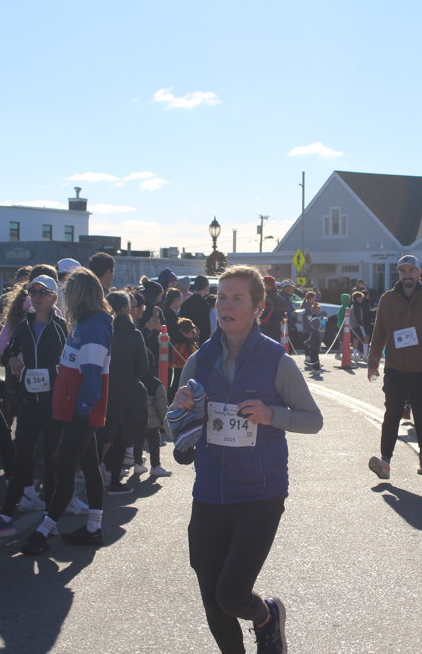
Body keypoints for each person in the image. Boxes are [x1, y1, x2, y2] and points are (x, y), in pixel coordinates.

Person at [168, 265, 322, 653]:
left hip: (260, 494)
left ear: (258, 308)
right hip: (210, 492)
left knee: (232, 595)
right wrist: (181, 408)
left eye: (237, 298)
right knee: (212, 600)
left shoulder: (276, 360)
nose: (226, 305)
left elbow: (313, 420)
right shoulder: (200, 361)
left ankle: (266, 615)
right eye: (221, 297)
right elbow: (182, 435)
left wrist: (272, 414)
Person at [22, 267, 112, 555]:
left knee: (64, 470)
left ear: (79, 294)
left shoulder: (93, 326)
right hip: (77, 409)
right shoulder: (87, 323)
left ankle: (43, 531)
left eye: (68, 292)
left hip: (80, 411)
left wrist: (81, 412)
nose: (65, 297)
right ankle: (94, 527)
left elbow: (92, 374)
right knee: (90, 468)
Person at [0, 275, 70, 539]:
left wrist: (56, 375)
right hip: (28, 401)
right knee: (22, 458)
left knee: (52, 460)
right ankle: (6, 516)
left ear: (53, 298)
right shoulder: (23, 327)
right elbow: (6, 353)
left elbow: (71, 360)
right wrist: (13, 360)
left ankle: (50, 519)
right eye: (33, 292)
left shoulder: (60, 327)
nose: (36, 297)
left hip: (53, 402)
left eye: (42, 292)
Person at [366, 255, 422, 479]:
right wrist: (373, 363)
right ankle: (385, 461)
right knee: (392, 412)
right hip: (395, 367)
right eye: (403, 271)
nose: (407, 275)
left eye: (411, 271)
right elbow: (379, 332)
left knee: (421, 412)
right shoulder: (388, 299)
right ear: (399, 274)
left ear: (419, 273)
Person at [99, 291, 150, 495]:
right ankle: (114, 480)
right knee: (121, 436)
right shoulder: (133, 333)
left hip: (103, 387)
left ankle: (95, 472)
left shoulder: (102, 330)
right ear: (123, 308)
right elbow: (143, 367)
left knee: (103, 434)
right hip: (127, 388)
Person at [180, 275, 212, 343]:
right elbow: (206, 326)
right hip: (199, 340)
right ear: (206, 286)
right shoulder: (204, 304)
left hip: (186, 338)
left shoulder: (187, 301)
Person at [258, 275, 285, 342]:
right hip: (277, 330)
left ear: (268, 285)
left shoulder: (268, 298)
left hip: (267, 331)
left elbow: (263, 317)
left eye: (262, 284)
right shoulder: (279, 297)